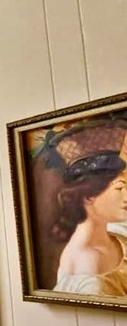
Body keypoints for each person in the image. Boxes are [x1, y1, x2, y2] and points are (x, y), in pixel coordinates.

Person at [51, 122, 127, 296]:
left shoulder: (115, 234)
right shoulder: (90, 265)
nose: (126, 197)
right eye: (119, 188)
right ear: (89, 196)